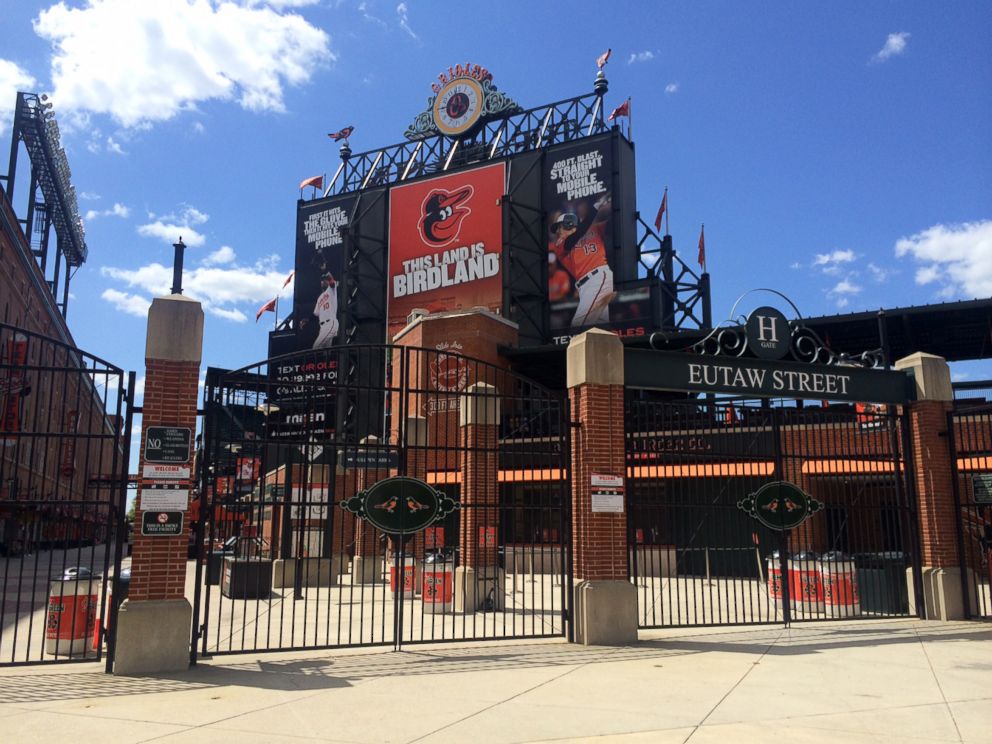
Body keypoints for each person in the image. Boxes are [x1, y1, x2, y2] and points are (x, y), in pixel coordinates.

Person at [549, 193, 615, 327]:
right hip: (585, 286)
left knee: (578, 326)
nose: (558, 232)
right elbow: (578, 234)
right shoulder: (560, 245)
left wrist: (610, 201)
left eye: (560, 227)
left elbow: (612, 218)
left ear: (569, 223)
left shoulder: (593, 228)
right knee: (599, 331)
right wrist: (595, 207)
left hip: (598, 277)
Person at [312, 271, 338, 349]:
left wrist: (329, 277)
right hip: (322, 327)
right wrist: (306, 320)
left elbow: (332, 283)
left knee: (316, 347)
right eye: (322, 280)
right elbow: (316, 313)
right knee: (326, 352)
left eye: (325, 280)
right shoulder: (320, 298)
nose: (323, 281)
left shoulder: (331, 290)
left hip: (330, 323)